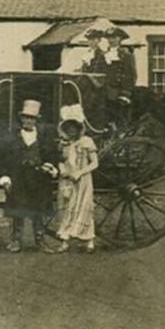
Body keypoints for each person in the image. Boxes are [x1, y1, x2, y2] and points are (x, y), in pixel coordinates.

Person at [0, 99, 59, 253]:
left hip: (38, 179)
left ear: (36, 120)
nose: (28, 121)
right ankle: (16, 241)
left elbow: (51, 155)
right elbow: (4, 158)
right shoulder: (13, 137)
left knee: (38, 210)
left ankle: (40, 241)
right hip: (18, 177)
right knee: (18, 210)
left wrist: (49, 165)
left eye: (31, 118)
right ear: (22, 119)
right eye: (26, 118)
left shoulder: (43, 138)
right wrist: (5, 176)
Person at [51, 105, 99, 253]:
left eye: (74, 127)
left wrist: (80, 173)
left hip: (83, 180)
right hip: (67, 180)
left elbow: (95, 163)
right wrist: (63, 170)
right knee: (67, 208)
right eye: (69, 128)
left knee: (84, 207)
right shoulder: (64, 144)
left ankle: (89, 241)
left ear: (79, 128)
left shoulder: (86, 141)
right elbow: (60, 160)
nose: (72, 131)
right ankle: (65, 241)